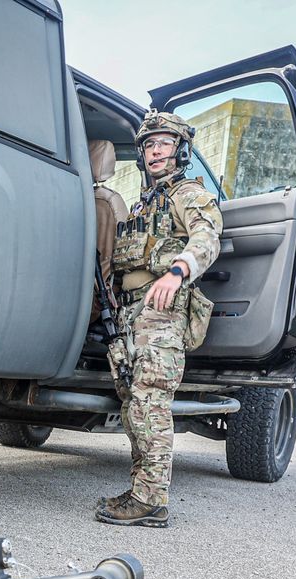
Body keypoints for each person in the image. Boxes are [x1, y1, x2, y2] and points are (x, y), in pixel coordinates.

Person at [98, 111, 222, 528]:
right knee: (134, 403)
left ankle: (151, 500)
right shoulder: (141, 204)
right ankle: (142, 493)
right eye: (149, 144)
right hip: (130, 311)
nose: (154, 150)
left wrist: (178, 270)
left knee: (151, 400)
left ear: (179, 150)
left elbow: (207, 237)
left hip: (161, 311)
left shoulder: (187, 194)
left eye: (163, 143)